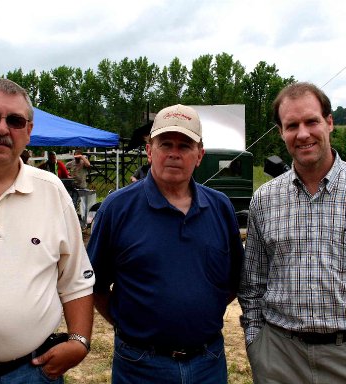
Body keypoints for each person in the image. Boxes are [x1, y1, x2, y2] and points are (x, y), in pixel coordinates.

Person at [87, 104, 243, 383]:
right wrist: (131, 326)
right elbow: (94, 285)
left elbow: (232, 282)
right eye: (165, 144)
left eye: (185, 146)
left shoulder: (220, 208)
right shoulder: (117, 208)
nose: (174, 153)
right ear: (149, 151)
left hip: (208, 362)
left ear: (199, 155)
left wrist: (197, 317)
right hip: (140, 365)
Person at [0, 78, 95, 383]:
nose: (2, 129)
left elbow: (75, 279)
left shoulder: (52, 191)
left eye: (15, 121)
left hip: (32, 371)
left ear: (29, 132)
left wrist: (79, 342)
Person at [238, 82, 346, 384]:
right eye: (291, 125)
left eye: (311, 121)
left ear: (329, 122)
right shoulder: (265, 198)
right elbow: (252, 284)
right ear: (280, 133)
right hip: (279, 357)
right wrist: (257, 344)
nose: (302, 133)